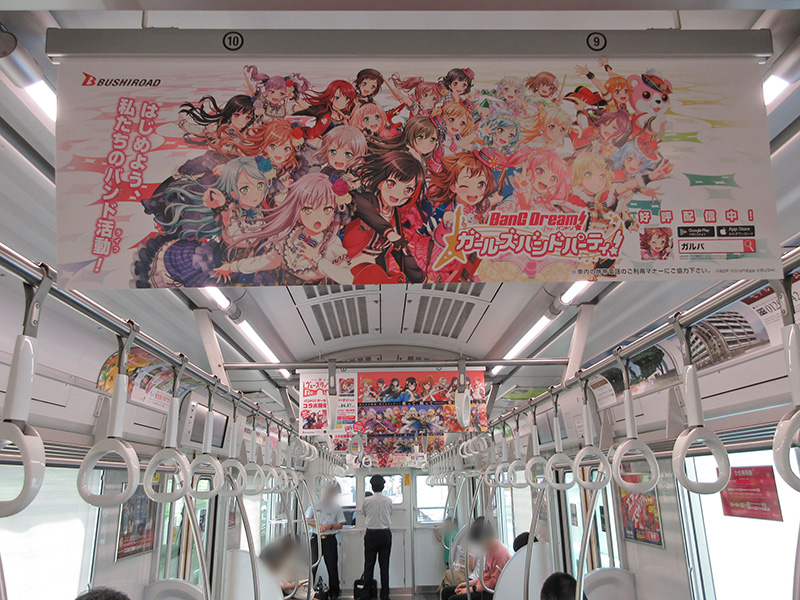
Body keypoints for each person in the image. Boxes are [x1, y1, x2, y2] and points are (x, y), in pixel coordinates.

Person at [440, 517, 510, 600]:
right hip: (482, 586)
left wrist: (471, 589)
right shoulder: (489, 550)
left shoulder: (500, 554)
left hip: (490, 592)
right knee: (446, 591)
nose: (480, 545)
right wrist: (468, 584)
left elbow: (493, 583)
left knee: (453, 599)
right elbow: (485, 575)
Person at [306, 483, 346, 599]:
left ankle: (334, 593)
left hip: (329, 539)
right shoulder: (315, 504)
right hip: (316, 539)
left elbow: (340, 524)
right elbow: (307, 519)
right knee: (312, 566)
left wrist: (330, 527)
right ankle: (308, 591)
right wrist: (318, 525)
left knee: (332, 567)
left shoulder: (337, 508)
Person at [361, 474, 393, 600]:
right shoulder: (388, 500)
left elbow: (364, 513)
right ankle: (385, 595)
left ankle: (366, 595)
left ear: (372, 487)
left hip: (371, 534)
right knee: (384, 566)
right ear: (383, 487)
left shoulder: (366, 500)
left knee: (369, 565)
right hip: (385, 534)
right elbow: (390, 513)